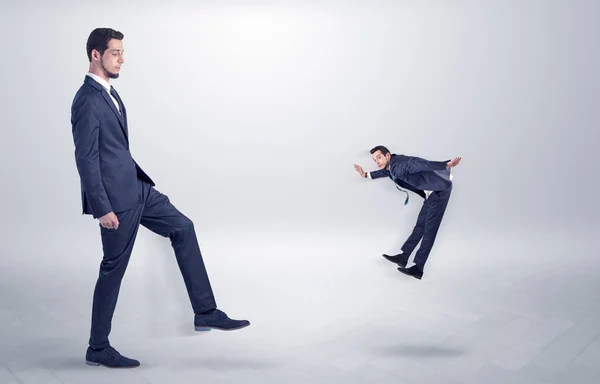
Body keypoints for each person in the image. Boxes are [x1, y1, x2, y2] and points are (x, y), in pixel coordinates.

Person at [71, 28, 250, 369]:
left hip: (139, 189)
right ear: (96, 55)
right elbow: (86, 158)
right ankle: (97, 347)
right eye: (115, 52)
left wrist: (139, 185)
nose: (122, 58)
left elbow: (116, 149)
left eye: (123, 52)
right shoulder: (87, 99)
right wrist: (101, 208)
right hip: (116, 202)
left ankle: (206, 311)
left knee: (183, 227)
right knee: (113, 270)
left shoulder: (111, 93)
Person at [353, 145, 461, 280]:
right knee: (420, 226)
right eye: (375, 160)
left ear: (388, 155)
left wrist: (444, 164)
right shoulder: (391, 165)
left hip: (440, 190)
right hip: (431, 192)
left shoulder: (400, 166)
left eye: (379, 157)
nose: (377, 162)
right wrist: (365, 175)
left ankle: (418, 268)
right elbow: (386, 173)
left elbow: (420, 164)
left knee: (429, 230)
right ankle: (403, 257)